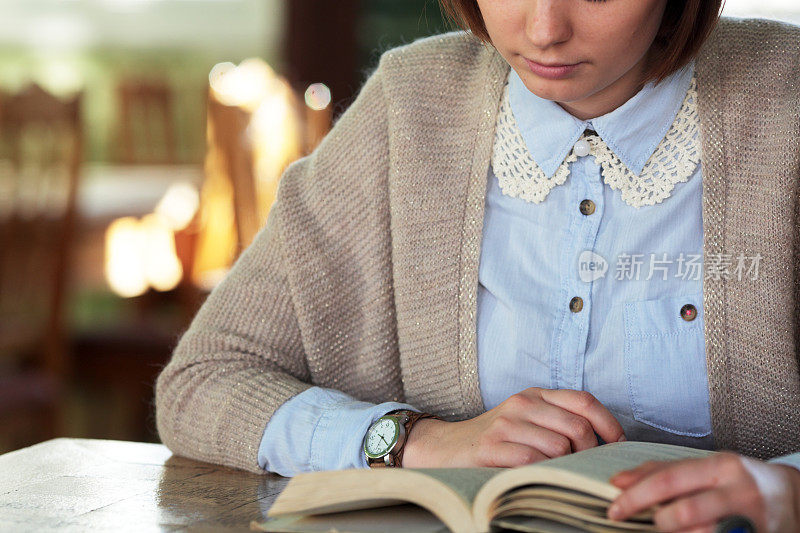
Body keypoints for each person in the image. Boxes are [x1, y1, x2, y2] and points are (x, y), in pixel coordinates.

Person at [155, 0, 800, 530]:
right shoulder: (409, 110)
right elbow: (202, 381)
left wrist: (788, 489)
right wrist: (416, 442)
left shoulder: (785, 101)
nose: (545, 30)